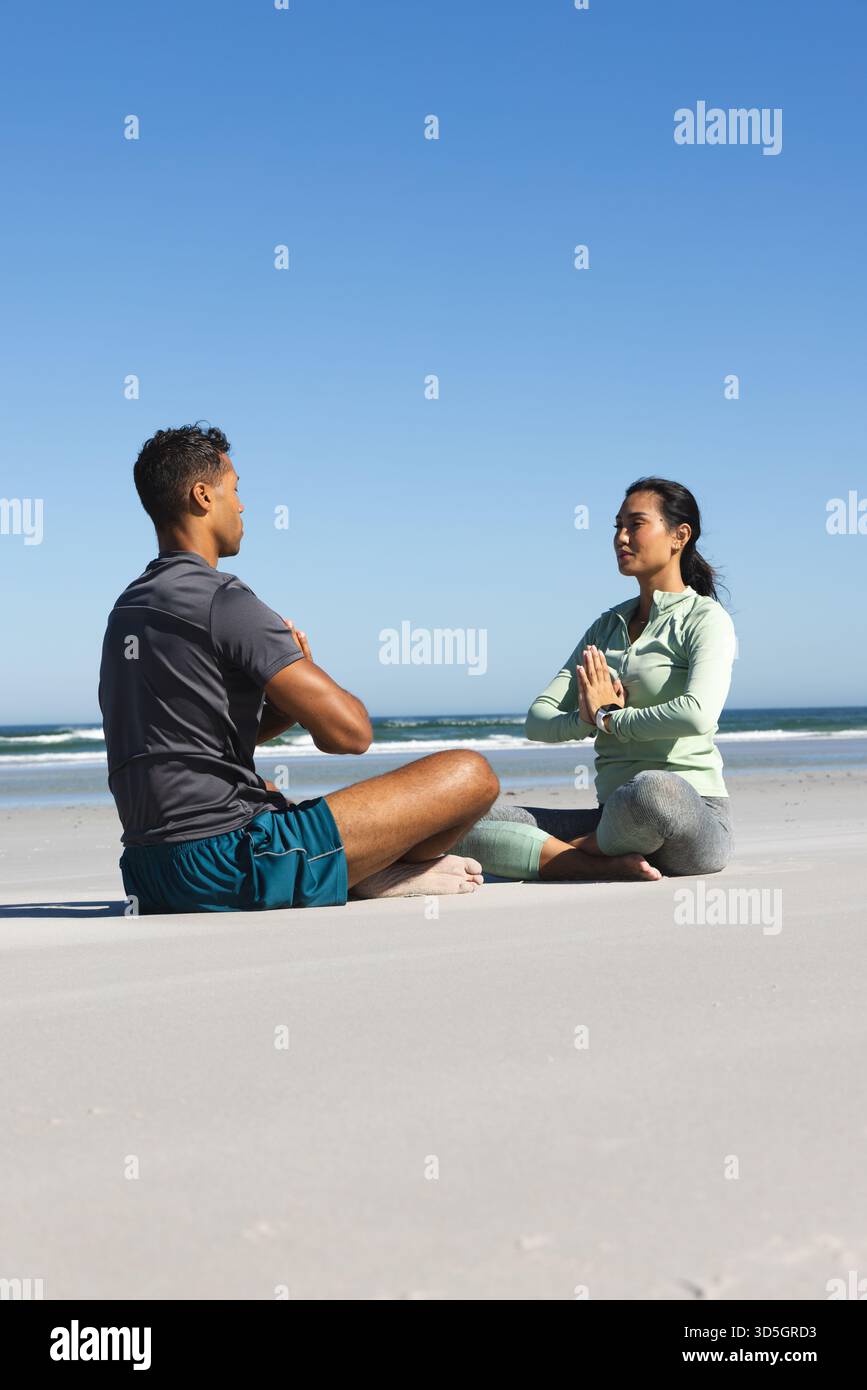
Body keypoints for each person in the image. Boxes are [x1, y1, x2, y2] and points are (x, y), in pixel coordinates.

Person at [98, 423, 498, 914]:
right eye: (236, 490)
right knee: (471, 774)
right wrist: (307, 670)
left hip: (147, 872)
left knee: (264, 790)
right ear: (203, 496)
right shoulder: (223, 599)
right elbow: (349, 735)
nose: (242, 506)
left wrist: (285, 706)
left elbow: (198, 742)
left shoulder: (127, 609)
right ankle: (368, 872)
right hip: (226, 864)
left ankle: (340, 869)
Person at [452, 477, 737, 881]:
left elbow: (697, 715)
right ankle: (593, 855)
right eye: (617, 526)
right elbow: (537, 720)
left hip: (689, 817)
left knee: (653, 790)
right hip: (612, 819)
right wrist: (584, 721)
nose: (621, 537)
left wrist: (609, 719)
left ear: (680, 536)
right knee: (461, 823)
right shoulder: (606, 627)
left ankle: (568, 854)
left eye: (635, 524)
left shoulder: (705, 619)